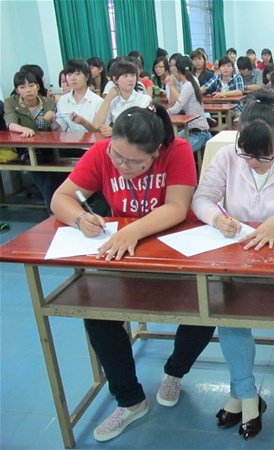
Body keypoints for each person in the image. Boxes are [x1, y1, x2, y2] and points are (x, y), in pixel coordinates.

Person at [50, 104, 216, 442]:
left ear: (155, 152)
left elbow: (177, 207)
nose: (122, 166)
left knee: (206, 308)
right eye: (118, 157)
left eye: (134, 162)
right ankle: (130, 400)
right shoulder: (102, 152)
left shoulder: (177, 151)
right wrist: (80, 218)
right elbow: (62, 198)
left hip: (175, 253)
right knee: (97, 314)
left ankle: (175, 371)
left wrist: (133, 231)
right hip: (123, 255)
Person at [191, 89, 274, 440]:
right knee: (229, 314)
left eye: (264, 157)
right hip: (235, 259)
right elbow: (202, 198)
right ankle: (247, 396)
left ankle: (239, 395)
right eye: (247, 154)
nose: (253, 163)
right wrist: (217, 218)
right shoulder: (227, 157)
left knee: (232, 315)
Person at [4, 69, 63, 211]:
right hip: (26, 148)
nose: (28, 90)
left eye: (31, 85)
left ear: (37, 86)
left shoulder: (48, 102)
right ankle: (54, 209)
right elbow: (10, 123)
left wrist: (53, 120)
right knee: (47, 175)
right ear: (17, 90)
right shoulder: (11, 102)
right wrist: (23, 129)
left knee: (51, 173)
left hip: (49, 148)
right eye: (22, 87)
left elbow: (57, 130)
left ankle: (53, 209)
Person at [93, 60, 152, 137]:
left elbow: (141, 128)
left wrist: (116, 131)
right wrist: (108, 98)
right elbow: (97, 125)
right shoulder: (113, 101)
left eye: (133, 75)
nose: (130, 79)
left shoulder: (144, 100)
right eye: (125, 76)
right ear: (115, 79)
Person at [166, 56, 212, 153]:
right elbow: (176, 102)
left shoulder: (188, 85)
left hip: (199, 133)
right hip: (190, 129)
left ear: (177, 70)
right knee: (168, 144)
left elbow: (176, 109)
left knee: (178, 153)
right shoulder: (192, 81)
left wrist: (161, 113)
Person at [56, 59, 103, 132]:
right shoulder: (63, 100)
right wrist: (52, 121)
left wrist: (83, 122)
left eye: (77, 74)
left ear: (87, 76)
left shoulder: (98, 102)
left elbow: (101, 131)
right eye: (69, 74)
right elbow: (60, 128)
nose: (73, 78)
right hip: (70, 139)